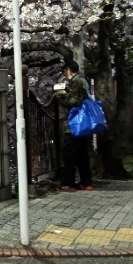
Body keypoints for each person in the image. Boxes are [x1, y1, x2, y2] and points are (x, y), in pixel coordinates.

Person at [54, 60, 93, 192]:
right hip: (83, 124)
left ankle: (69, 183)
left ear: (69, 70)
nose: (64, 74)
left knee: (69, 154)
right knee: (82, 154)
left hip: (73, 124)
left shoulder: (76, 81)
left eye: (65, 71)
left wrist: (60, 93)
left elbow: (74, 101)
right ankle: (86, 182)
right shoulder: (84, 81)